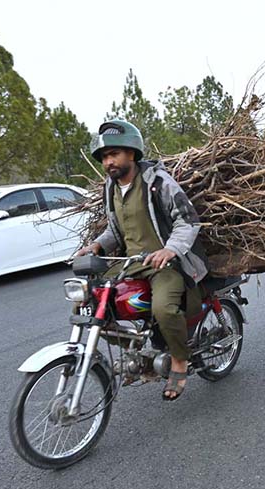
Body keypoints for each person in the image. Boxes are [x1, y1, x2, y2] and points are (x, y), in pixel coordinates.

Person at [76, 120, 208, 401]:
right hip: (131, 263)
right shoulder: (111, 189)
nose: (109, 162)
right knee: (95, 304)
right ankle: (140, 349)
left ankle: (179, 360)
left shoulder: (158, 182)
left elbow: (188, 220)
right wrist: (96, 244)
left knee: (164, 309)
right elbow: (115, 229)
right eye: (105, 157)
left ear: (132, 153)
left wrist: (170, 249)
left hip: (166, 264)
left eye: (115, 154)